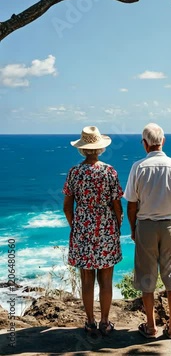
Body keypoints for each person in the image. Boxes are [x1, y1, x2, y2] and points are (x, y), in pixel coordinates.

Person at [123, 123, 171, 339]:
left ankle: (151, 326)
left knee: (147, 279)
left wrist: (133, 228)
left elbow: (131, 204)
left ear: (144, 144)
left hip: (146, 225)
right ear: (163, 141)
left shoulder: (138, 167)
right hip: (170, 224)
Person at [63, 126, 123, 336]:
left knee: (86, 280)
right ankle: (105, 322)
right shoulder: (109, 171)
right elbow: (117, 204)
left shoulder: (74, 172)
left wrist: (76, 225)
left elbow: (67, 206)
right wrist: (117, 225)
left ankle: (90, 322)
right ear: (99, 149)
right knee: (106, 280)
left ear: (83, 149)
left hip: (82, 229)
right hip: (106, 227)